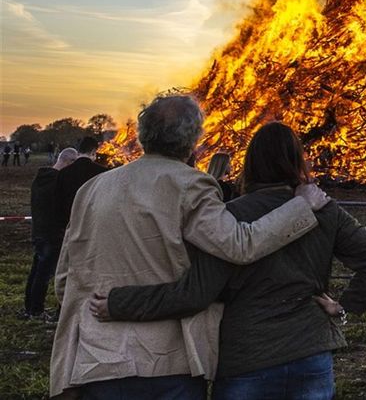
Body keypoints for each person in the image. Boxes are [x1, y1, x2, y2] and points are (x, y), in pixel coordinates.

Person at [49, 95, 329, 399]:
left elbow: (65, 279)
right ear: (194, 139)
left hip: (96, 360)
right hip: (166, 364)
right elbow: (239, 244)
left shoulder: (92, 189)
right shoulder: (191, 185)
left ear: (143, 135)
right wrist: (300, 207)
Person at [90, 122, 366, 399]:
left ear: (251, 163)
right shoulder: (324, 211)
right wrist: (344, 306)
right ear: (297, 160)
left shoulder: (230, 216)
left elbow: (195, 293)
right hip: (310, 354)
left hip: (248, 359)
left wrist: (119, 302)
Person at [21, 147, 78, 321]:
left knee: (36, 271)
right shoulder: (56, 182)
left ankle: (30, 308)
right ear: (68, 162)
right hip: (51, 233)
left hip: (39, 231)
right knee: (44, 274)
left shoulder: (41, 178)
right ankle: (36, 311)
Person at [54, 136, 110, 238]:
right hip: (93, 227)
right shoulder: (102, 173)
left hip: (70, 226)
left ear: (78, 151)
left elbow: (58, 202)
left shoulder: (63, 173)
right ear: (93, 151)